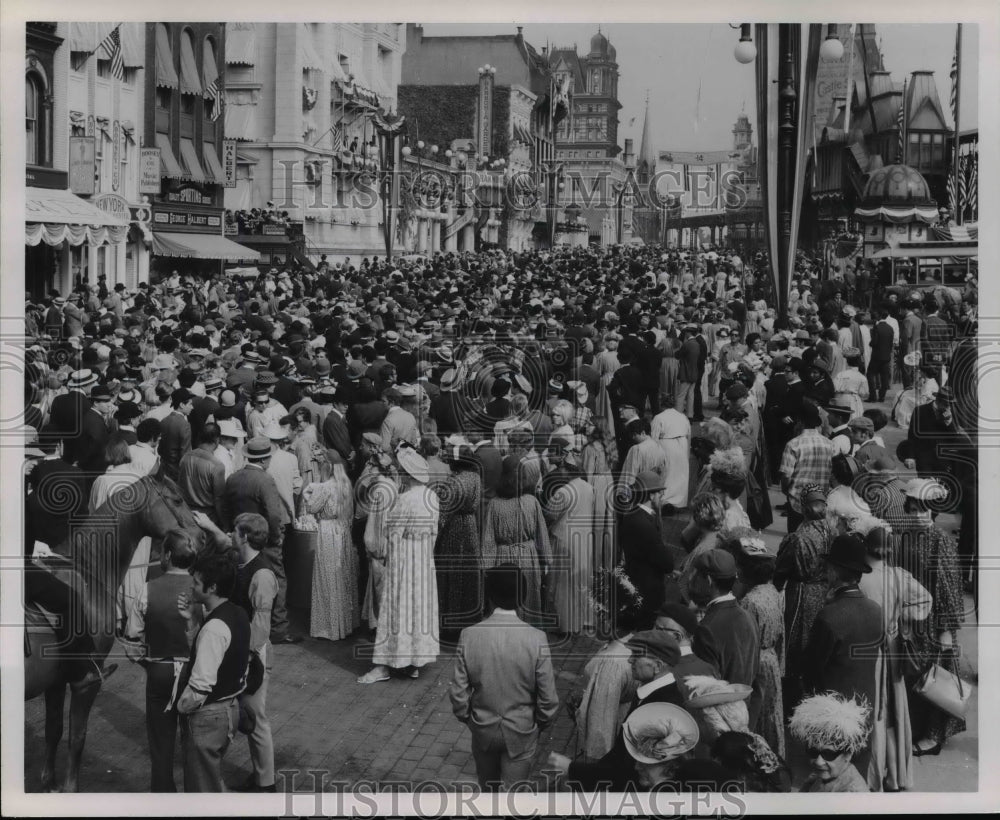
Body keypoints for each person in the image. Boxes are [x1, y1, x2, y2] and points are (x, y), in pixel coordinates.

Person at [449, 564, 559, 792]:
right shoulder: (536, 638)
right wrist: (540, 723)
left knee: (487, 792)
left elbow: (459, 693)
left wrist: (468, 719)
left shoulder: (469, 635)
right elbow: (548, 698)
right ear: (523, 597)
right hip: (522, 730)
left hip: (482, 729)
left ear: (488, 595)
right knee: (515, 798)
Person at [122, 530, 199, 792]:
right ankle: (196, 798)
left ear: (167, 555)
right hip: (195, 675)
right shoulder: (205, 590)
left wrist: (149, 662)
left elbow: (132, 643)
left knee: (160, 741)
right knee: (194, 741)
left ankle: (164, 797)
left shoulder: (147, 589)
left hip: (160, 672)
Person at [858, 523, 932, 791]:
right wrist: (904, 620)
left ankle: (874, 774)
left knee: (874, 708)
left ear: (867, 549)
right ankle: (897, 775)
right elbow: (926, 599)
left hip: (867, 649)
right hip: (893, 646)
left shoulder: (859, 579)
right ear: (889, 551)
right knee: (895, 710)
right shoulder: (899, 576)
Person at [359, 444, 441, 683]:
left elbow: (393, 535)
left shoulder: (404, 500)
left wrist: (390, 561)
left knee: (397, 607)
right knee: (417, 608)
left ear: (406, 474)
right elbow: (434, 533)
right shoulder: (432, 497)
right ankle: (413, 661)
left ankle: (384, 665)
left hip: (405, 558)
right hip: (424, 559)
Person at [897, 478, 967, 758]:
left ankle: (933, 736)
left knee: (935, 679)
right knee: (915, 677)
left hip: (935, 620)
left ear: (933, 511)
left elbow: (950, 588)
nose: (917, 515)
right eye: (913, 509)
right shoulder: (906, 536)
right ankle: (916, 728)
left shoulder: (942, 541)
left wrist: (947, 630)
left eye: (923, 509)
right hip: (912, 620)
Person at [804, 533, 883, 779]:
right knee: (856, 772)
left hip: (834, 712)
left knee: (831, 775)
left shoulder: (829, 616)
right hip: (865, 704)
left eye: (828, 568)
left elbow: (812, 669)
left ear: (835, 572)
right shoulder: (875, 610)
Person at [174, 549, 251, 793]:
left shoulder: (214, 628)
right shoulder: (237, 614)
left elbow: (200, 686)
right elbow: (216, 655)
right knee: (211, 781)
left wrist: (180, 708)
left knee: (201, 793)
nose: (192, 586)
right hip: (230, 710)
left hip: (208, 718)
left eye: (196, 582)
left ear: (213, 587)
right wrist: (189, 620)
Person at [222, 437, 293, 644]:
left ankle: (239, 622)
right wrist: (275, 537)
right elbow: (273, 513)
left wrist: (232, 531)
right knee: (276, 579)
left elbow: (225, 508)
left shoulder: (234, 478)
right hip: (263, 538)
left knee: (241, 579)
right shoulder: (265, 479)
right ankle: (279, 629)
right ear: (264, 460)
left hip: (241, 538)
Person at [731, 534, 785, 758]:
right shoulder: (772, 591)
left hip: (756, 663)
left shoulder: (749, 602)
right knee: (772, 713)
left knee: (757, 714)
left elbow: (745, 641)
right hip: (771, 658)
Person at [689, 549, 760, 719]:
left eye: (696, 575)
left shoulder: (707, 628)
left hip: (719, 716)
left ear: (708, 580)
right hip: (743, 711)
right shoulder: (748, 616)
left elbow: (705, 688)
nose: (692, 579)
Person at [481, 457, 552, 628]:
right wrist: (546, 560)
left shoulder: (494, 505)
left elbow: (488, 539)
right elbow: (541, 533)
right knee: (529, 599)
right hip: (528, 557)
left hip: (503, 559)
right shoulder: (532, 502)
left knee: (504, 599)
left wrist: (486, 566)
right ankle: (529, 637)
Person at [299, 450, 360, 641]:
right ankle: (345, 623)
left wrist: (308, 490)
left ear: (328, 466)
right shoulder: (345, 484)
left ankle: (329, 627)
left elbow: (312, 507)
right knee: (342, 576)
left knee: (327, 577)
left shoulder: (325, 487)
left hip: (327, 531)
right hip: (342, 529)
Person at [541, 445, 596, 635]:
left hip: (565, 541)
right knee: (582, 580)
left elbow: (549, 514)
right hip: (585, 538)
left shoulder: (564, 492)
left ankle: (567, 623)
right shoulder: (589, 488)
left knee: (564, 583)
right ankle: (585, 619)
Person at [433, 443, 484, 638]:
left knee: (452, 575)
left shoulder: (453, 483)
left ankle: (451, 625)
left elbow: (443, 515)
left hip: (454, 530)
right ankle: (470, 620)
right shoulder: (475, 477)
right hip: (470, 526)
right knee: (469, 573)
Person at [789, 692, 871, 792]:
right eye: (813, 752)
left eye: (828, 754)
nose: (819, 762)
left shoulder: (852, 793)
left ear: (848, 754)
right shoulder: (819, 777)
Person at [619, 471, 675, 618]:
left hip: (636, 582)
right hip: (647, 589)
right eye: (659, 493)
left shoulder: (632, 514)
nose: (661, 496)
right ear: (651, 495)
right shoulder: (644, 524)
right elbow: (667, 562)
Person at [779, 400, 834, 533]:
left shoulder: (793, 444)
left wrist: (786, 490)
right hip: (821, 502)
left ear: (800, 421)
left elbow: (786, 475)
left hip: (797, 502)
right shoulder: (829, 444)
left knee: (794, 539)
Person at [177, 422, 227, 527]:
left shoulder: (185, 458)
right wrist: (224, 524)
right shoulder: (217, 466)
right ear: (217, 440)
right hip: (208, 518)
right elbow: (219, 499)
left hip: (186, 514)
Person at [158, 387, 195, 482]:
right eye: (190, 404)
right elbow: (185, 453)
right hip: (177, 471)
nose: (192, 407)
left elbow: (160, 448)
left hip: (164, 468)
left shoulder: (164, 421)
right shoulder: (184, 425)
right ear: (182, 405)